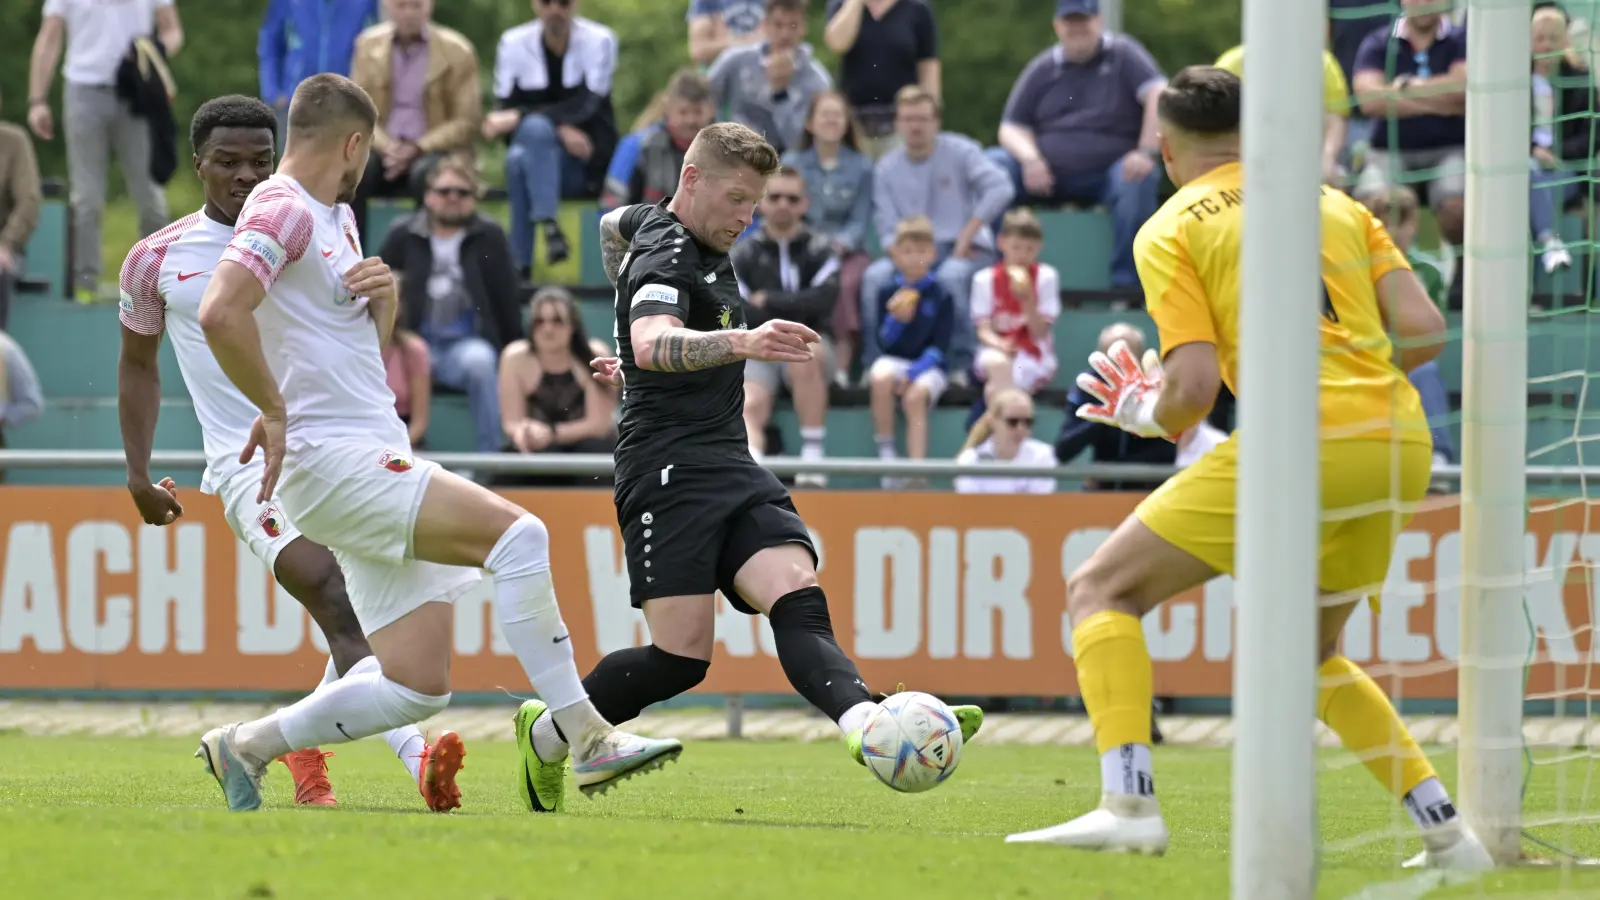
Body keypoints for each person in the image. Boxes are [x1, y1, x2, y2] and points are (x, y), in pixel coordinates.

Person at [1003, 67, 1491, 872]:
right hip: (1399, 443)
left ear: (1165, 149)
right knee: (1310, 654)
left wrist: (1143, 413)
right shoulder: (1334, 201)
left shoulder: (1170, 226)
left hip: (1302, 440)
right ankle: (1448, 833)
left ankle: (1128, 802)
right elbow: (1425, 331)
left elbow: (1189, 394)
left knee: (1101, 589)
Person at [189, 74, 680, 813]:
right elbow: (220, 311)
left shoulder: (334, 218)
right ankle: (586, 736)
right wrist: (275, 409)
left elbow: (338, 347)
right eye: (366, 151)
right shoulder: (286, 207)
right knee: (520, 537)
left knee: (417, 686)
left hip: (358, 450)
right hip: (336, 462)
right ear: (354, 144)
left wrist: (382, 306)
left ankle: (246, 746)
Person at [517, 122, 984, 814]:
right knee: (680, 658)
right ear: (692, 177)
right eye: (737, 199)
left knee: (796, 589)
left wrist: (638, 348)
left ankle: (869, 724)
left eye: (756, 204)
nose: (746, 218)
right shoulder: (667, 254)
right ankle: (550, 735)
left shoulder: (650, 223)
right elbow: (650, 338)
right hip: (666, 470)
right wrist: (727, 342)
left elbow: (613, 234)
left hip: (730, 459)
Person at [116, 95, 453, 811]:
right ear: (198, 164)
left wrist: (384, 302)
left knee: (365, 612)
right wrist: (138, 473)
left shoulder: (323, 222)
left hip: (333, 451)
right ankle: (421, 760)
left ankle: (287, 739)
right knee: (337, 597)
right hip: (248, 467)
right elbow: (138, 365)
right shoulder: (156, 260)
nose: (245, 176)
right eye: (229, 163)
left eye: (260, 162)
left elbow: (361, 351)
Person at [29, 0, 183, 302]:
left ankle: (155, 279)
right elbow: (49, 37)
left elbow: (172, 29)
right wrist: (37, 100)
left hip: (135, 90)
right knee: (87, 197)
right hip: (84, 92)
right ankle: (85, 281)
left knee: (150, 195)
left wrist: (156, 50)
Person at [731, 165, 840, 481]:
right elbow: (740, 309)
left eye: (792, 199)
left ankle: (812, 460)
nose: (783, 205)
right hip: (759, 346)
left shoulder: (822, 249)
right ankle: (752, 471)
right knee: (749, 401)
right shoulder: (743, 252)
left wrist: (771, 301)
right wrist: (793, 305)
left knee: (802, 355)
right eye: (775, 197)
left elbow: (824, 301)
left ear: (804, 204)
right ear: (761, 202)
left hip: (812, 345)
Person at [783, 90, 874, 383]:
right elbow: (786, 210)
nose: (832, 121)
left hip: (847, 251)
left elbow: (860, 220)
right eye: (825, 114)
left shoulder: (861, 166)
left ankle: (842, 369)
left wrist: (838, 246)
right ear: (810, 123)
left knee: (844, 284)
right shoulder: (793, 162)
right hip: (803, 246)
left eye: (838, 115)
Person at [497, 286, 618, 486]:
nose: (548, 329)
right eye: (539, 321)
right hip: (538, 447)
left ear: (573, 325)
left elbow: (599, 425)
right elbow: (512, 422)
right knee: (519, 460)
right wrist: (525, 432)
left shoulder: (595, 355)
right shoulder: (514, 358)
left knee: (595, 452)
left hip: (588, 448)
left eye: (557, 321)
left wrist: (551, 434)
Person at [867, 216, 953, 486]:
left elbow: (941, 346)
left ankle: (917, 471)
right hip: (896, 361)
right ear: (896, 254)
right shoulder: (887, 291)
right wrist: (896, 321)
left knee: (914, 398)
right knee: (879, 376)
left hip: (930, 367)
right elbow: (884, 344)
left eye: (922, 251)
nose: (915, 257)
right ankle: (887, 455)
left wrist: (914, 373)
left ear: (933, 254)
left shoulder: (941, 293)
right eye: (908, 251)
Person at [706, 0, 833, 155]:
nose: (785, 34)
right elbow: (704, 96)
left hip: (787, 161)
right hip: (736, 151)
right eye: (778, 25)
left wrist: (780, 93)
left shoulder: (817, 79)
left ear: (803, 28)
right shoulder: (735, 59)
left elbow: (799, 144)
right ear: (765, 25)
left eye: (793, 26)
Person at [969, 208, 1060, 401]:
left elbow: (1040, 332)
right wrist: (1000, 344)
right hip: (995, 349)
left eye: (1030, 249)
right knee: (998, 365)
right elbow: (983, 330)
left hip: (1032, 352)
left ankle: (995, 427)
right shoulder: (984, 279)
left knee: (1003, 386)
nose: (1022, 255)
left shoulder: (1046, 277)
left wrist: (1027, 299)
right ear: (1002, 243)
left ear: (1039, 247)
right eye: (1016, 247)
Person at [953, 388, 1056, 495]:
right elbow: (971, 507)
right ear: (993, 421)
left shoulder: (1043, 456)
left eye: (1028, 422)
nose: (1021, 428)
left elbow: (1039, 506)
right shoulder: (970, 460)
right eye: (1013, 422)